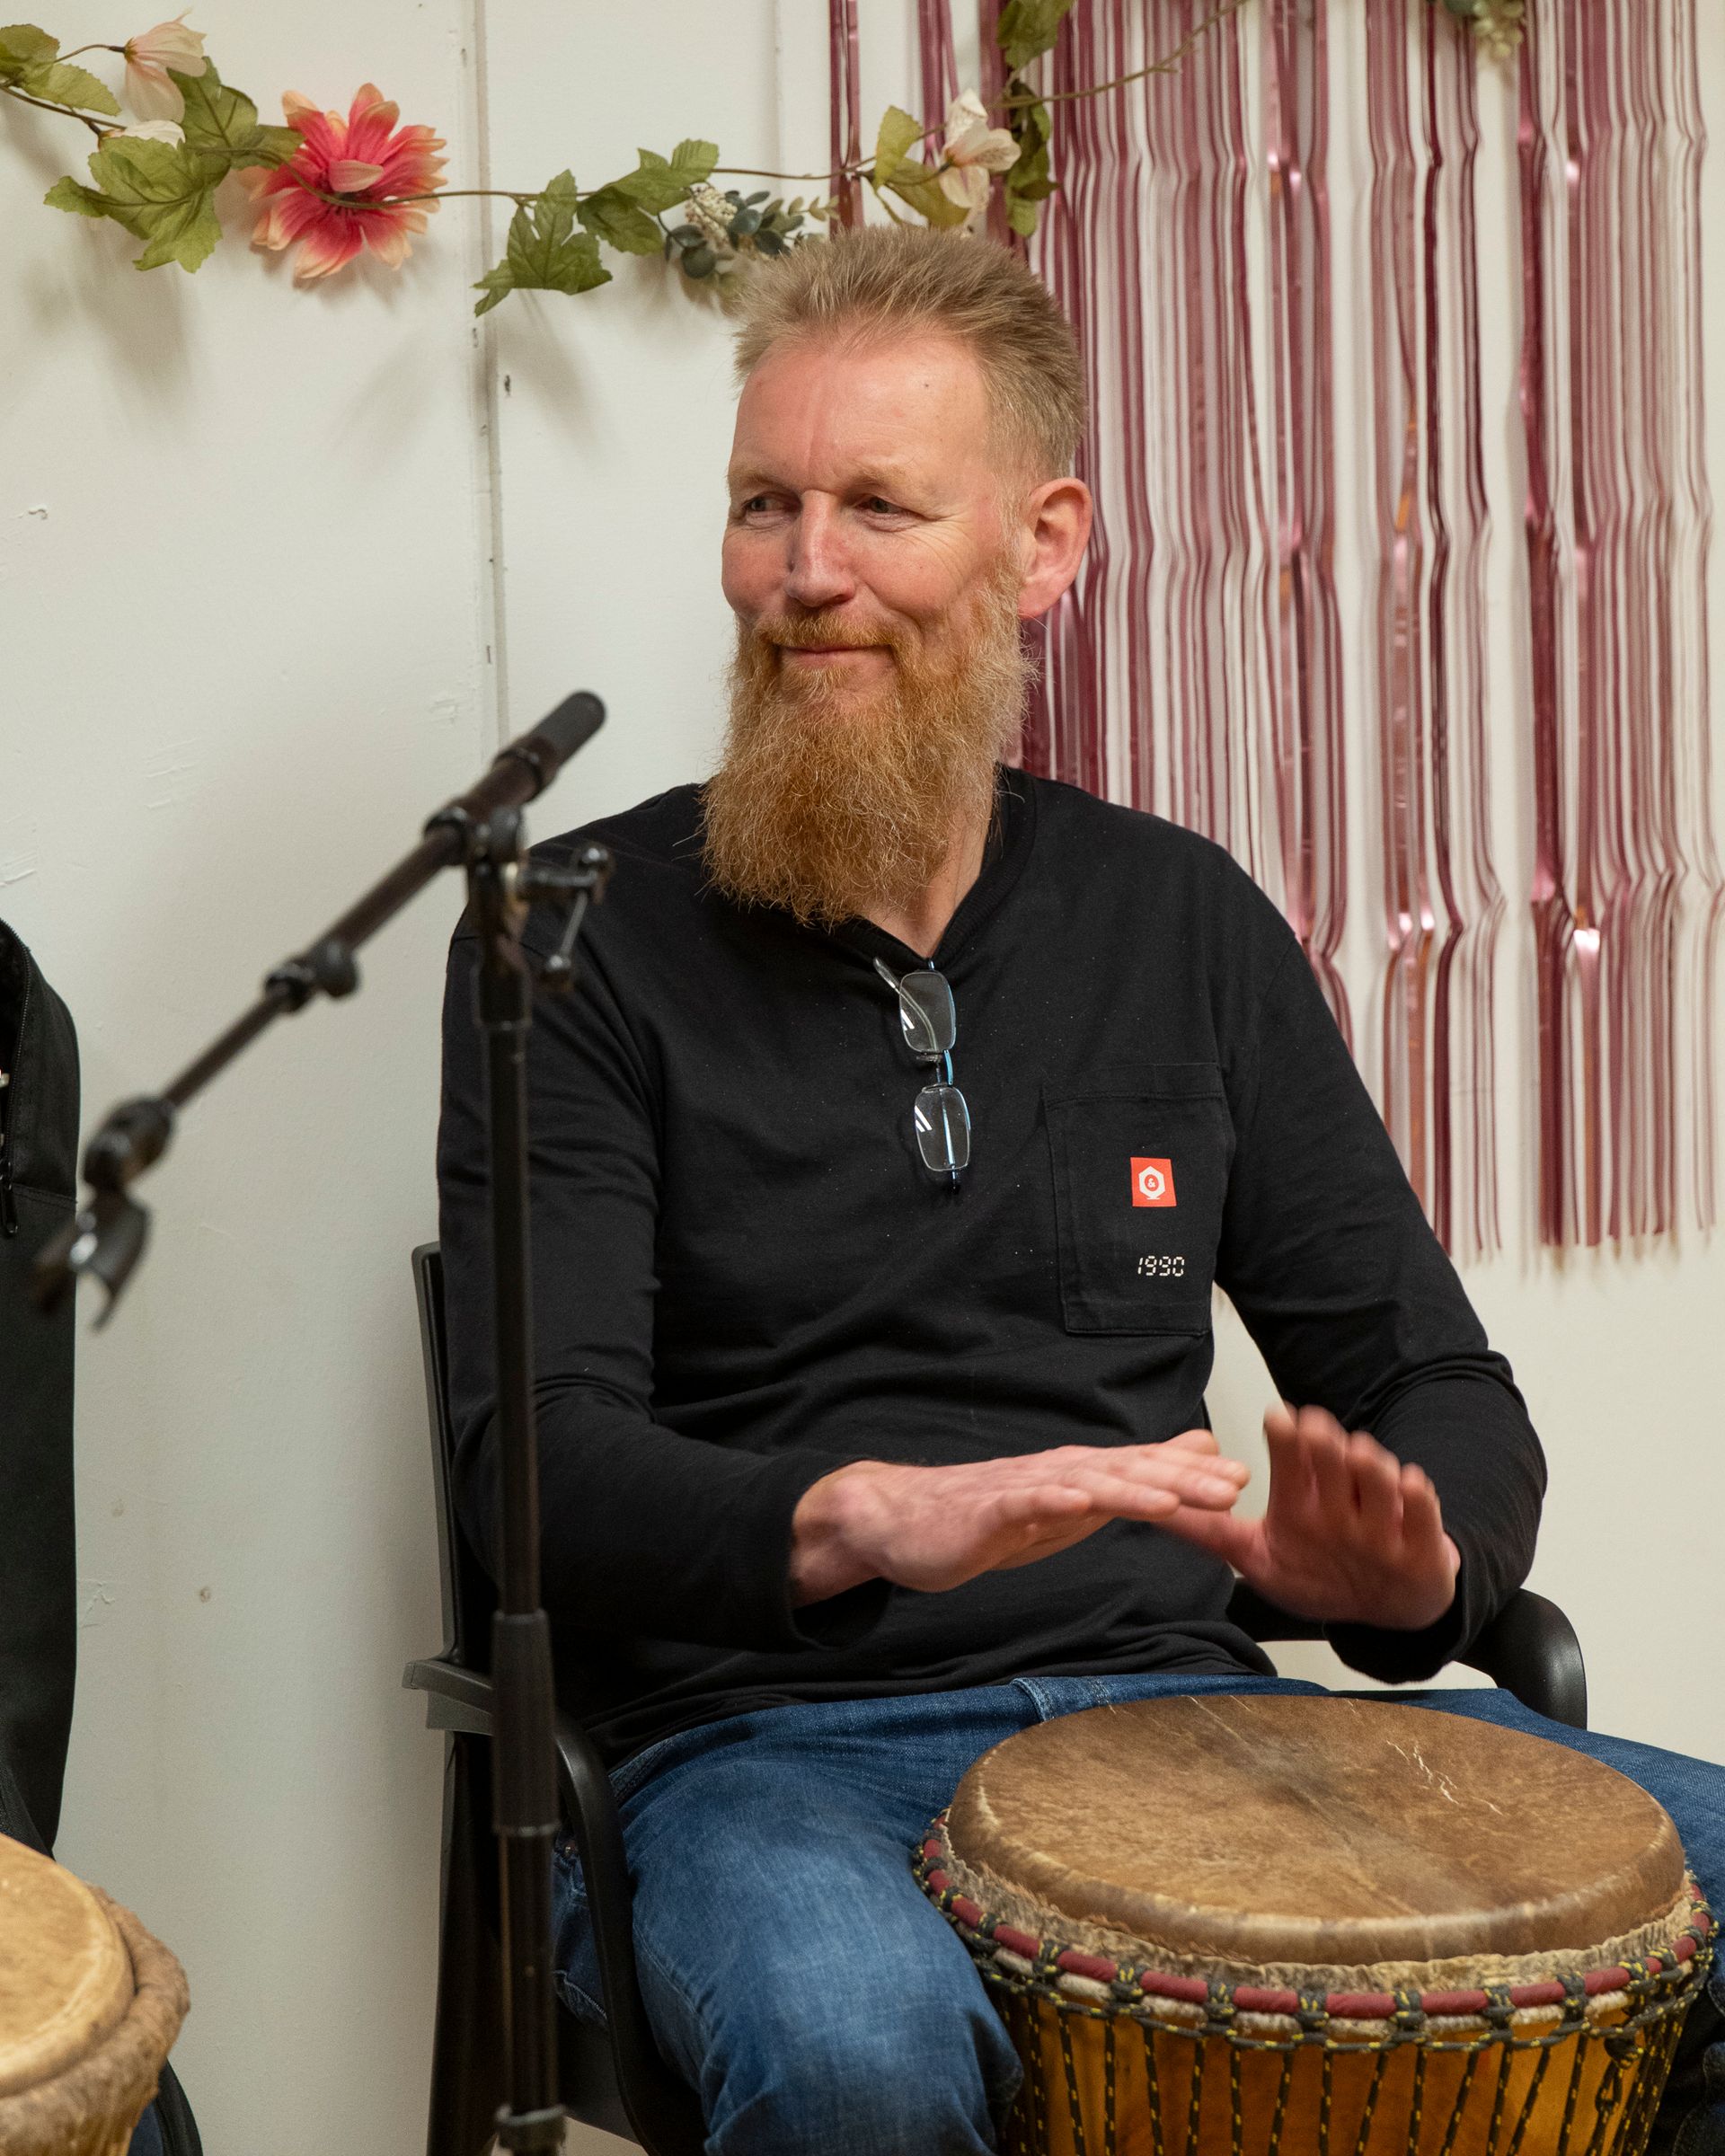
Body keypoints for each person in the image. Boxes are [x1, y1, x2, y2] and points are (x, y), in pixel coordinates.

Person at [436, 225, 1723, 2156]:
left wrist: (1420, 1572)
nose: (805, 574)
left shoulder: (1181, 920)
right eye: (765, 505)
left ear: (1044, 545)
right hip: (762, 1754)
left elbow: (1432, 1379)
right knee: (857, 2053)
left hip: (1192, 1723)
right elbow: (530, 1467)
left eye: (879, 507)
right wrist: (862, 1515)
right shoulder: (573, 937)